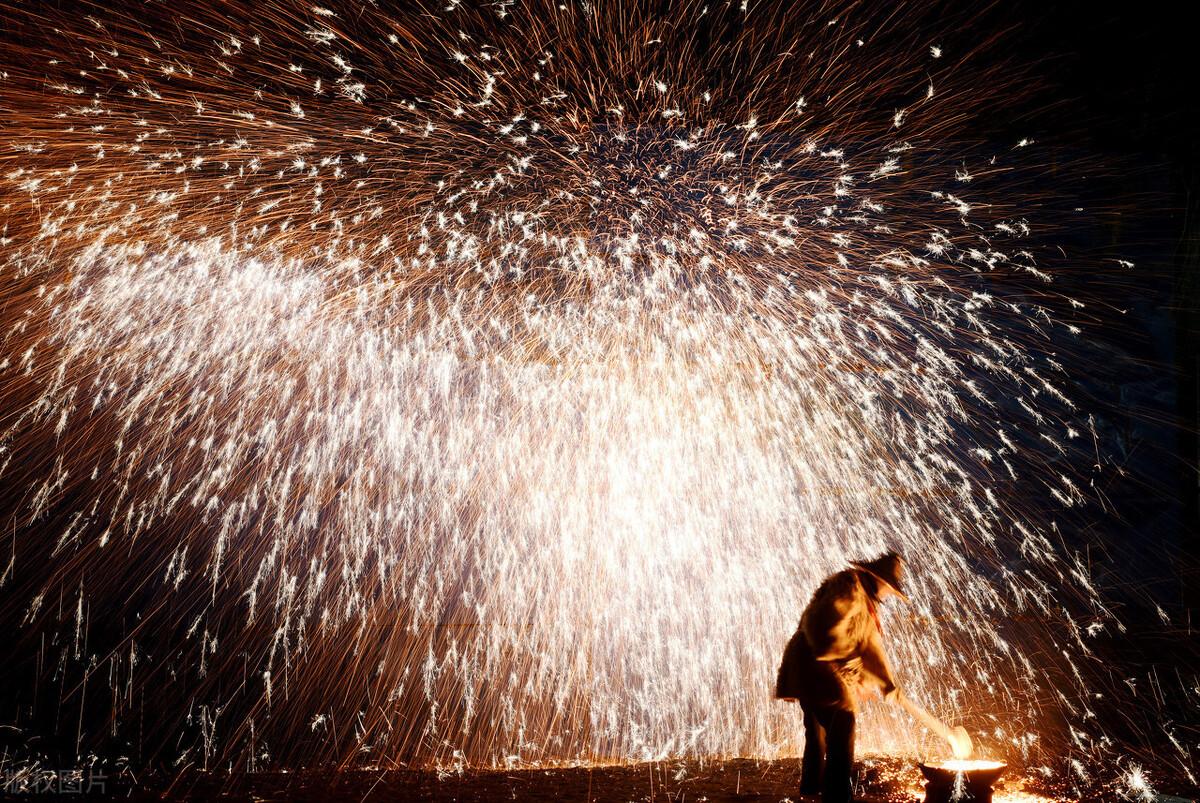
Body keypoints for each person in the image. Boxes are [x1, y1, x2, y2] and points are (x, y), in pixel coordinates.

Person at [775, 552, 908, 802]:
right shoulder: (849, 589)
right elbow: (823, 628)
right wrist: (846, 668)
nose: (889, 593)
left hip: (808, 670)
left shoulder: (863, 601)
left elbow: (870, 647)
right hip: (816, 669)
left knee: (816, 733)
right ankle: (837, 796)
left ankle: (811, 789)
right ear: (876, 578)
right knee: (843, 726)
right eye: (888, 587)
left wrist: (888, 684)